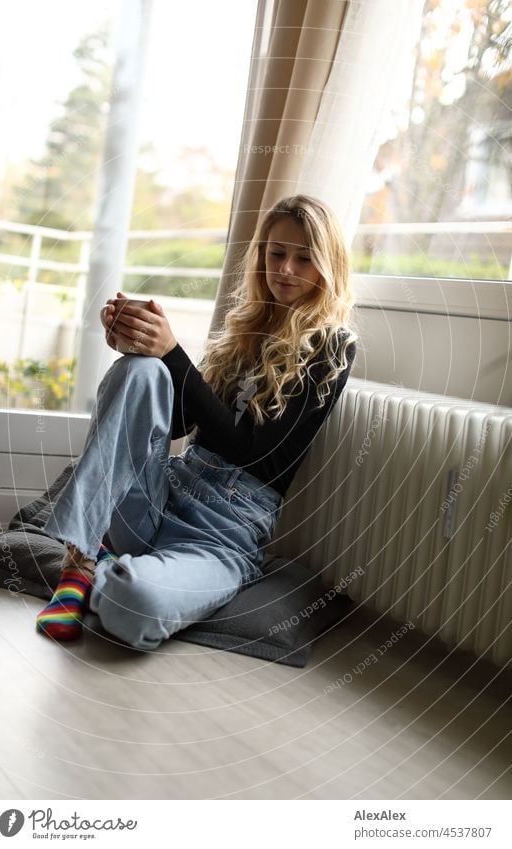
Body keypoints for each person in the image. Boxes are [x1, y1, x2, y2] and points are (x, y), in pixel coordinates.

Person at [36, 194, 358, 648]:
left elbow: (254, 453)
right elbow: (181, 427)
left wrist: (173, 353)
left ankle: (114, 571)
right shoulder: (243, 328)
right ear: (261, 255)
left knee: (131, 605)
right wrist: (143, 346)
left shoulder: (332, 346)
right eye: (276, 253)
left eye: (304, 258)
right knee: (139, 371)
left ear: (328, 265)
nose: (286, 269)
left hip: (221, 535)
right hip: (164, 493)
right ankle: (80, 560)